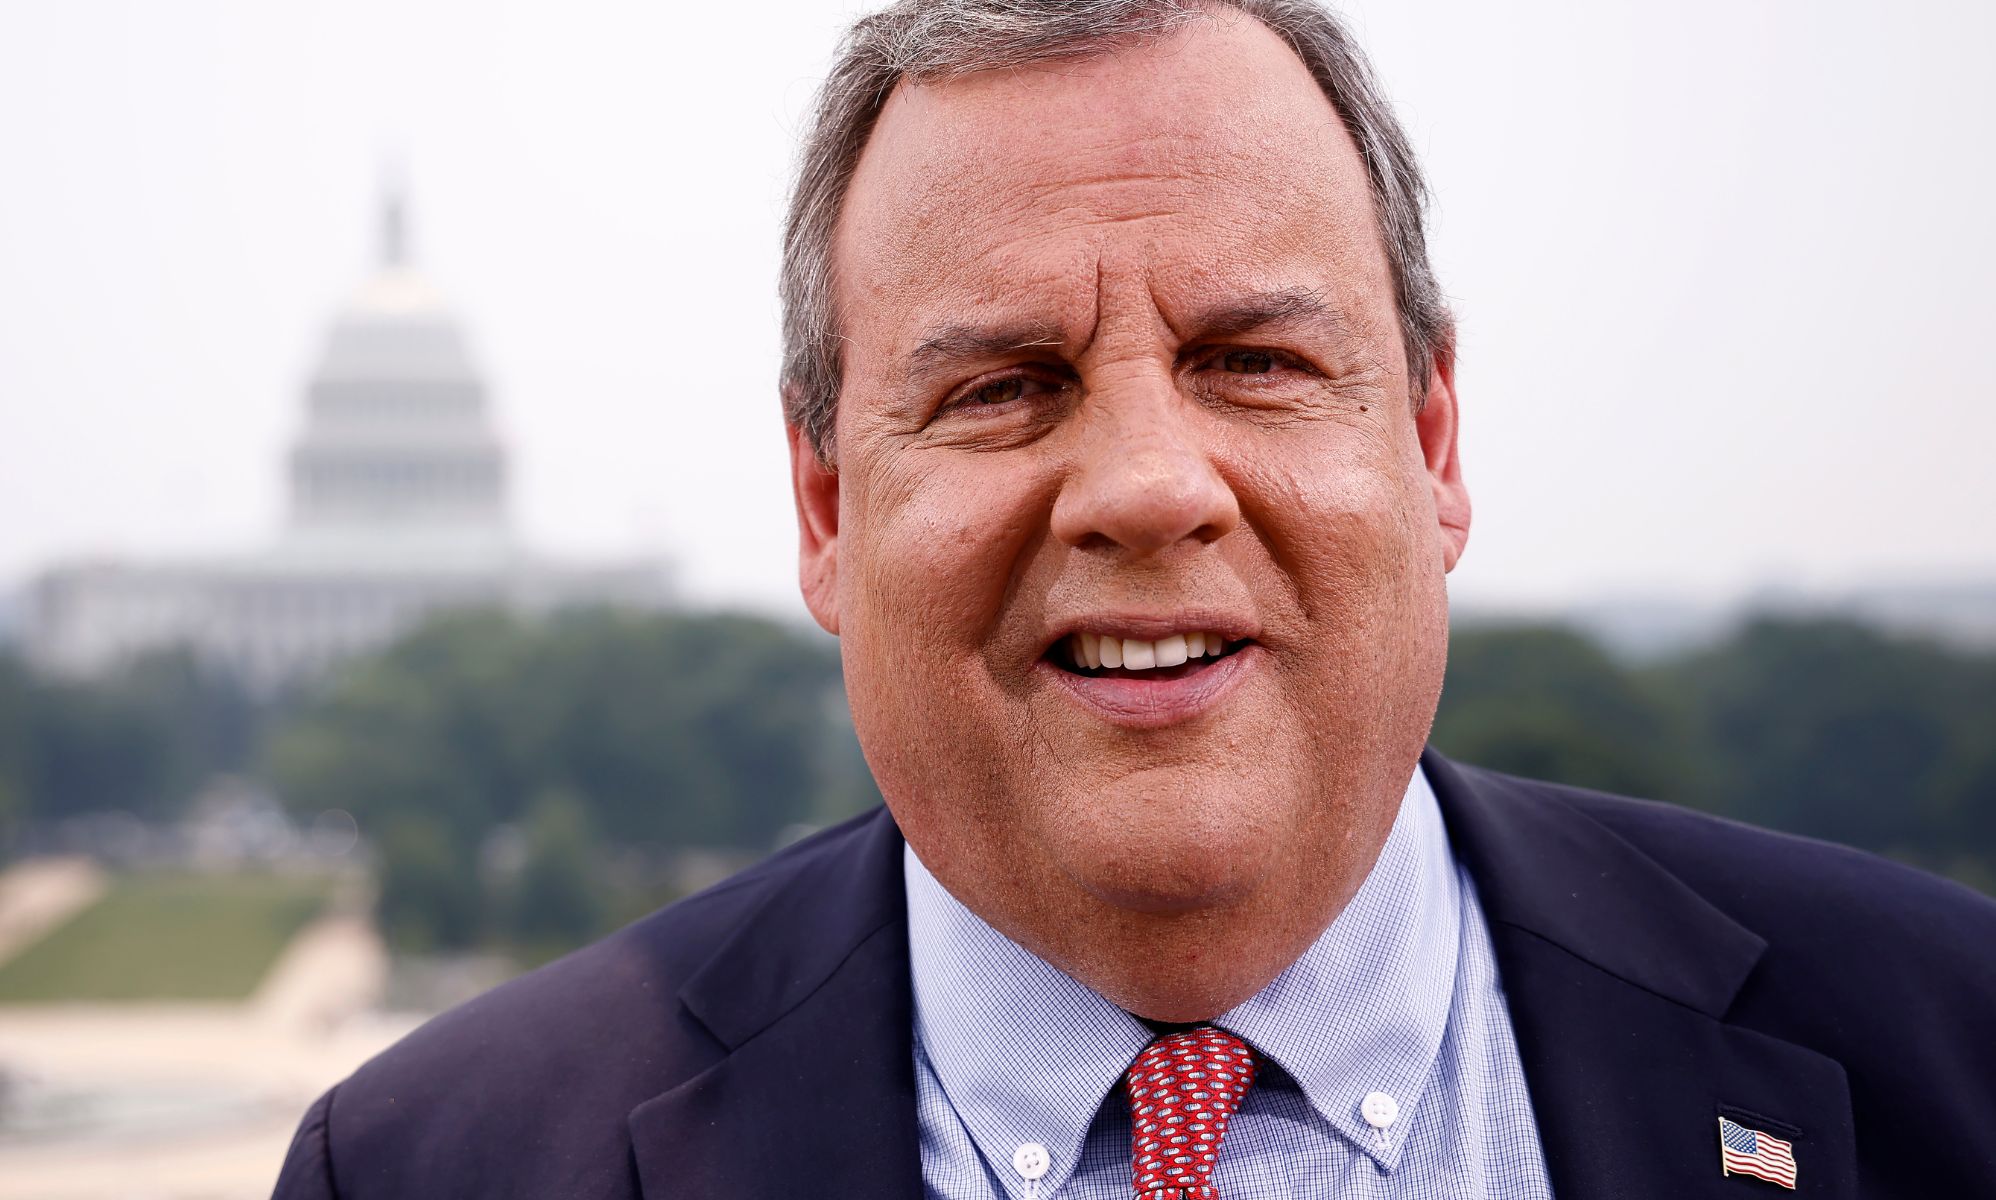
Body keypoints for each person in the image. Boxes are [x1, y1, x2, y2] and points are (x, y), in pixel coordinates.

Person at [274, 2, 1996, 1197]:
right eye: (1005, 385)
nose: (1149, 487)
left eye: (1253, 360)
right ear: (823, 503)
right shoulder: (444, 1170)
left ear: (1431, 437)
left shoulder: (1949, 1053)